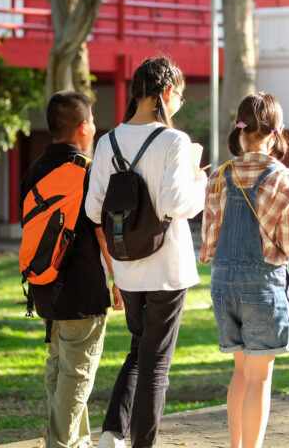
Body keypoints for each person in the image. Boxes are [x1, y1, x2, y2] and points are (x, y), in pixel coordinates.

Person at [85, 57, 207, 448]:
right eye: (180, 98)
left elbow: (92, 210)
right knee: (156, 365)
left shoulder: (107, 142)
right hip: (167, 269)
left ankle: (111, 433)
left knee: (139, 352)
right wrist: (200, 180)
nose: (179, 105)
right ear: (166, 93)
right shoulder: (174, 141)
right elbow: (177, 203)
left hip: (128, 269)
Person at [200, 92, 289, 448]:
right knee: (259, 379)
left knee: (240, 372)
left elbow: (208, 246)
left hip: (223, 285)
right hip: (263, 287)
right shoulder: (286, 180)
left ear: (240, 133)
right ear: (274, 133)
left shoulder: (219, 176)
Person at [20, 91, 120, 448]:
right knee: (76, 375)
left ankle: (76, 443)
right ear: (82, 127)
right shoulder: (88, 172)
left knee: (59, 369)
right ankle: (61, 445)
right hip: (82, 291)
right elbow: (102, 233)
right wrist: (118, 280)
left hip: (44, 286)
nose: (94, 125)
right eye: (92, 119)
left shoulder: (33, 171)